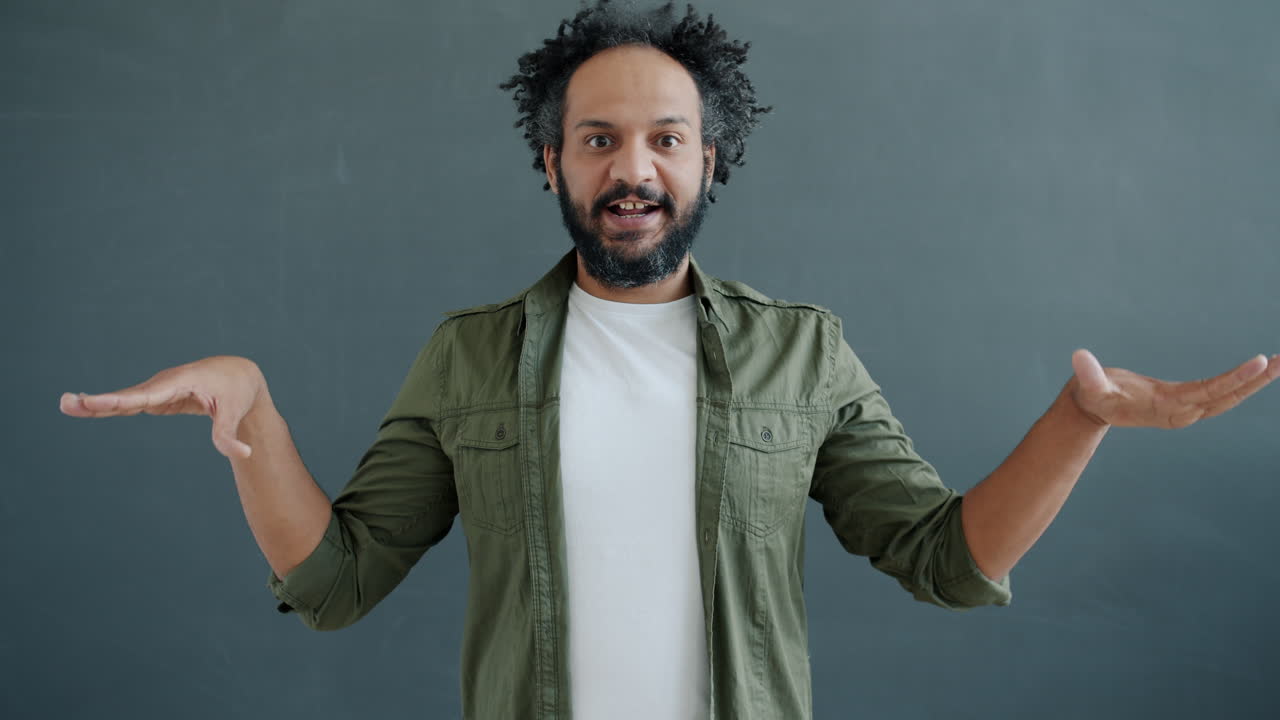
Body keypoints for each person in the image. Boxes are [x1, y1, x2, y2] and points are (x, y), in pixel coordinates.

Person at [59, 2, 1277, 719]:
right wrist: (255, 411)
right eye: (595, 140)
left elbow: (944, 562)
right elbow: (337, 583)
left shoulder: (806, 354)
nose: (629, 167)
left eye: (663, 138)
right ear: (552, 165)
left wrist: (1080, 422)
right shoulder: (467, 358)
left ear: (708, 163)